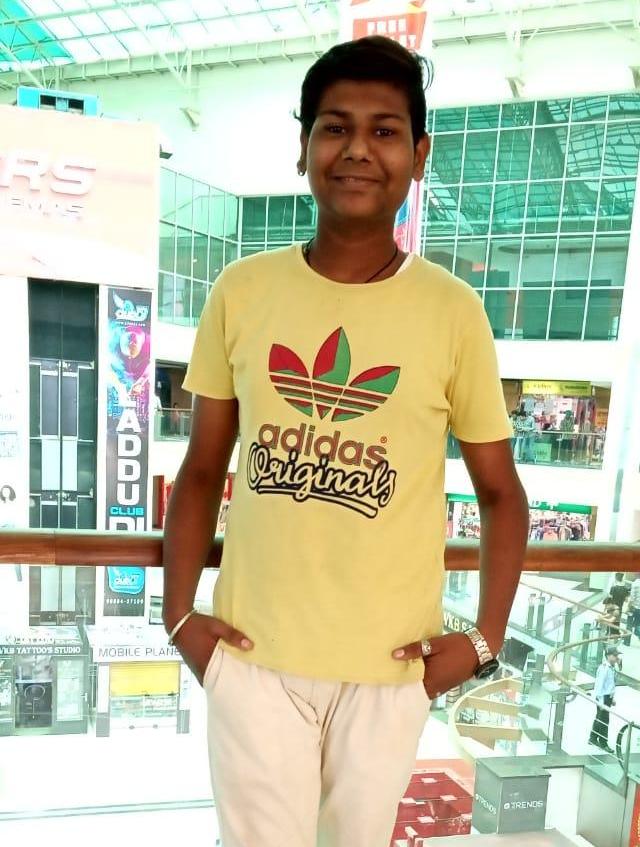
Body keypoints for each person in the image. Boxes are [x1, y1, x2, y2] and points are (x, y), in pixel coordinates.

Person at [162, 36, 528, 847]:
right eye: (334, 127)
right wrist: (179, 615)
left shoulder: (453, 311)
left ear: (419, 155)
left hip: (391, 669)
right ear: (303, 148)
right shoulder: (242, 290)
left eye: (385, 130)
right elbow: (202, 468)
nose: (358, 149)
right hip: (252, 659)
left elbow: (502, 493)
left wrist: (484, 640)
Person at [589, 646, 621, 752]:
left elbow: (611, 684)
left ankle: (593, 738)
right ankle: (603, 742)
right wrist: (601, 702)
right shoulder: (604, 668)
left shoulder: (611, 668)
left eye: (617, 655)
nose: (616, 657)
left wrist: (612, 698)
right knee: (604, 720)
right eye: (614, 655)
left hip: (607, 697)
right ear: (608, 656)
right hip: (602, 697)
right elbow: (599, 686)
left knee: (600, 717)